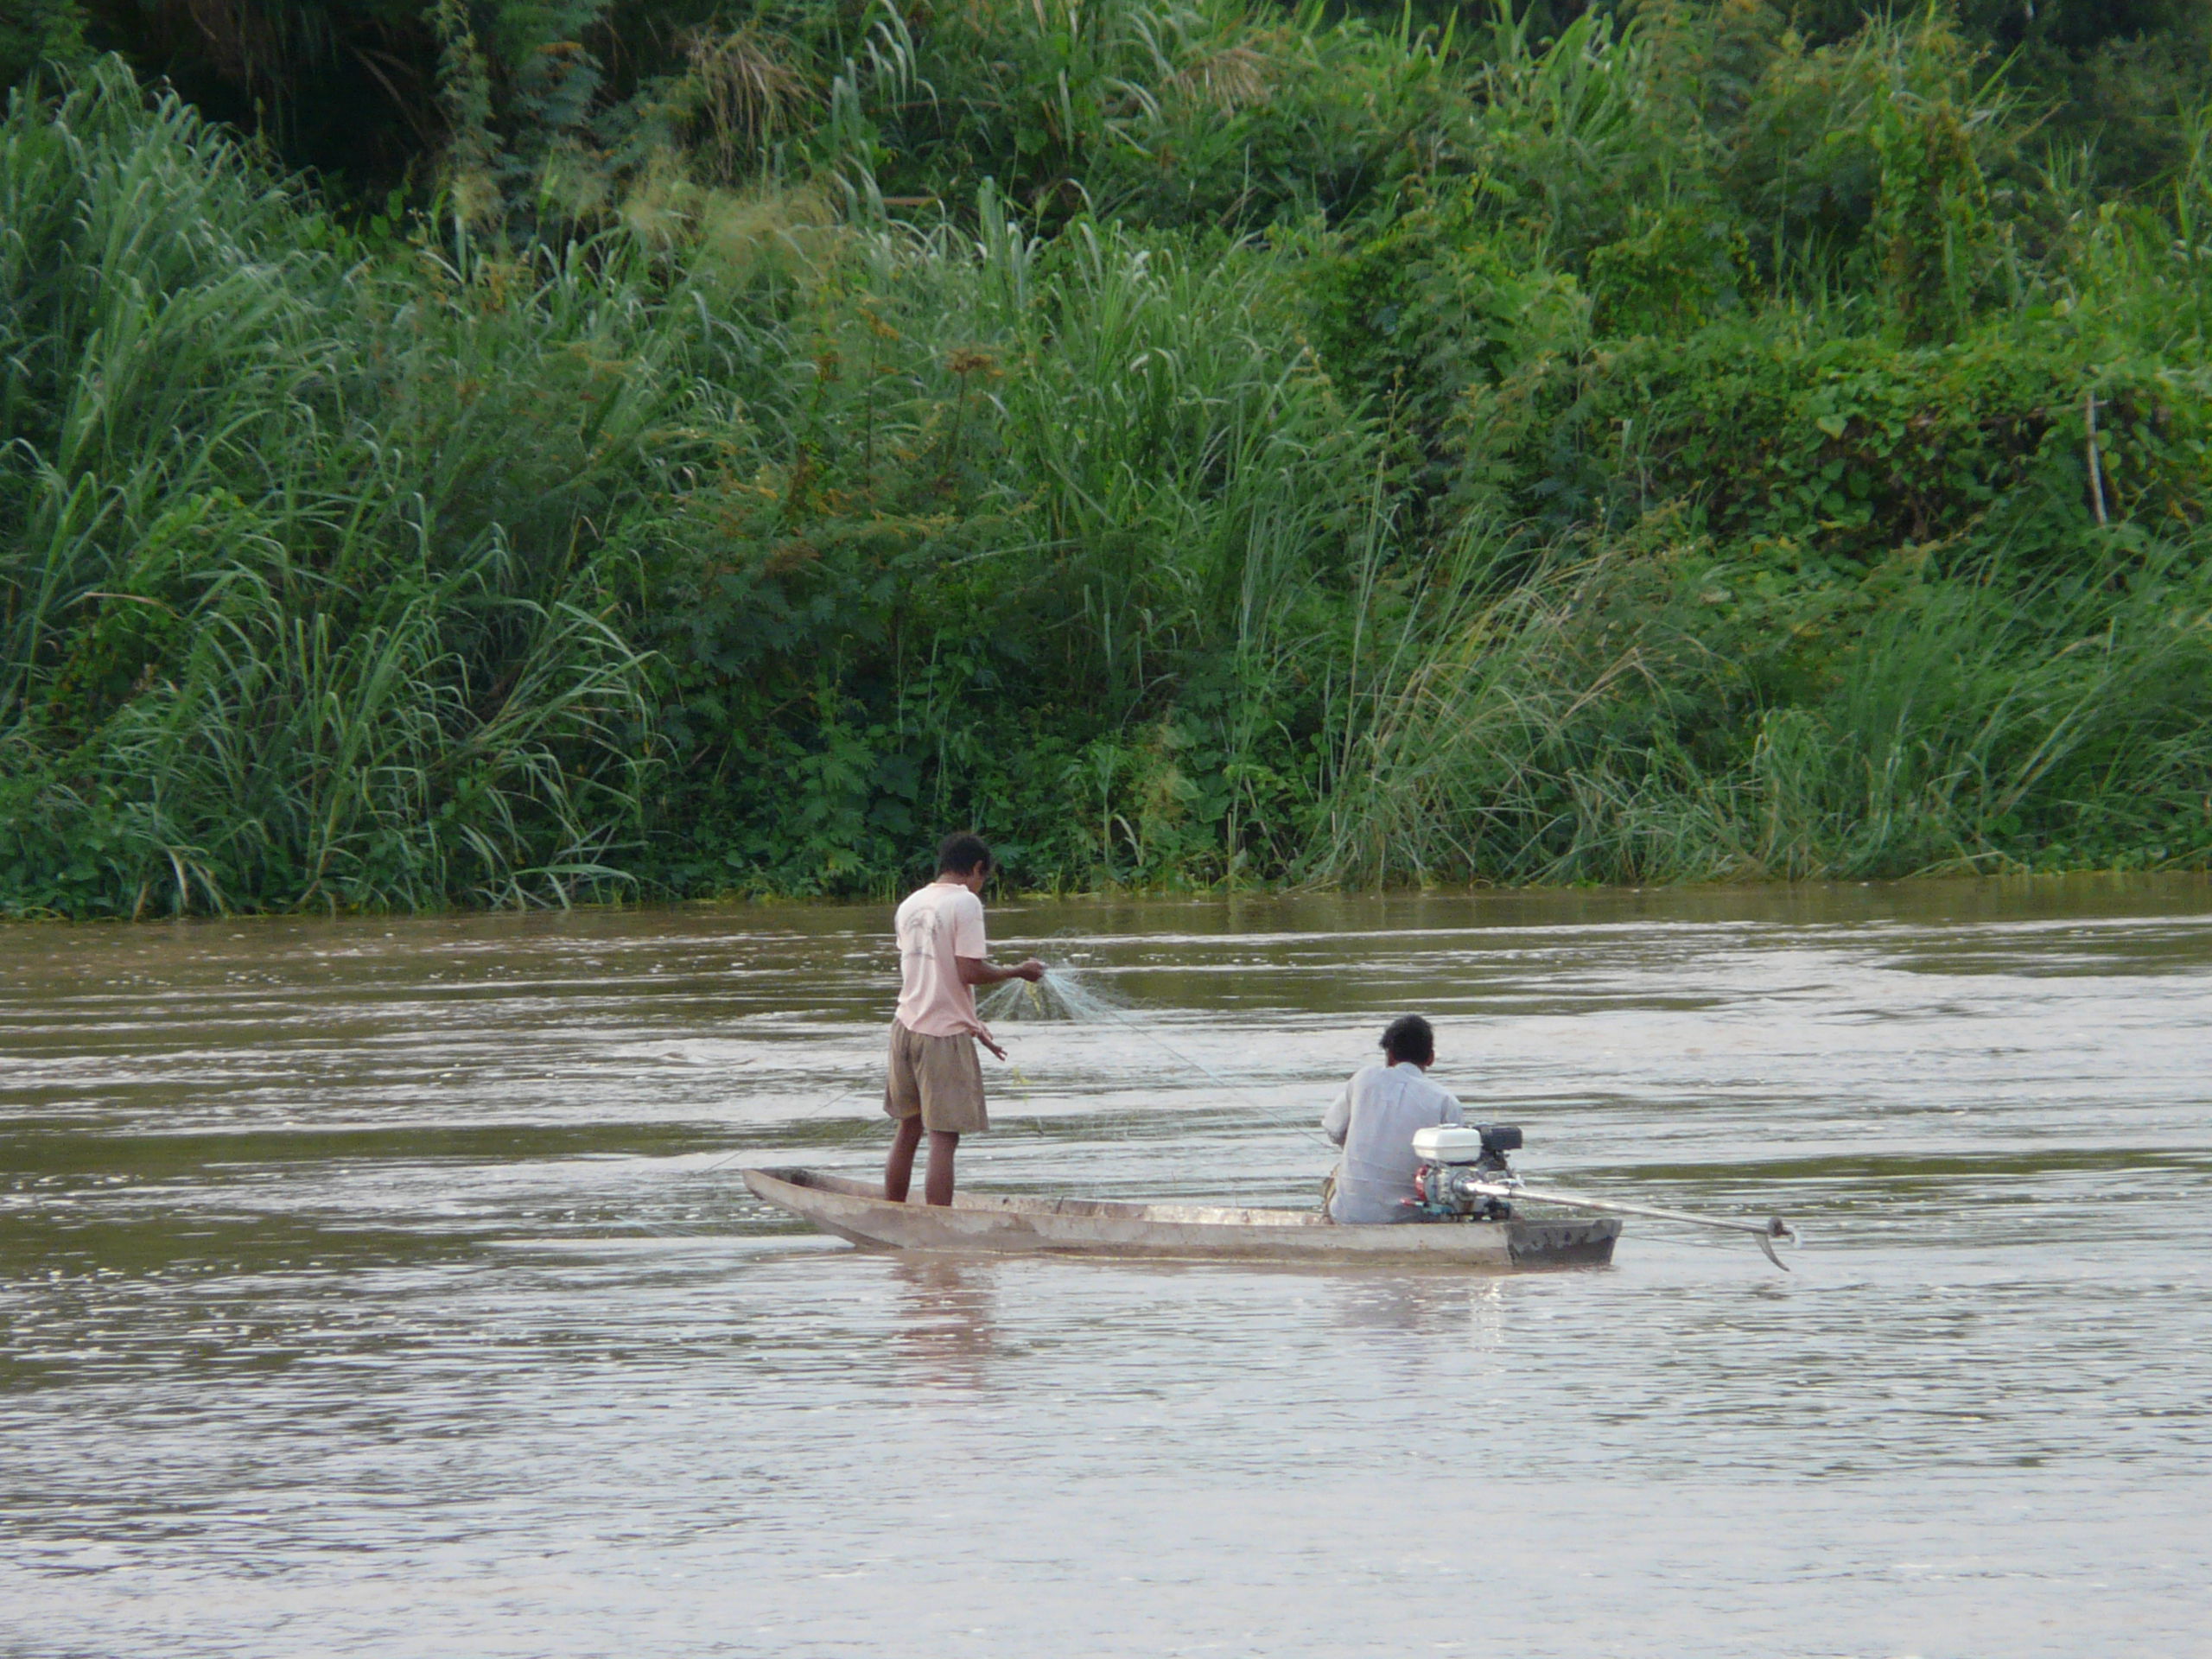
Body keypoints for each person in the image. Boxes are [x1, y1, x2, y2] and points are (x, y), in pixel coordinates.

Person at [882, 833, 1044, 1206]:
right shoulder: (965, 903)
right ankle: (939, 1227)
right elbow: (968, 971)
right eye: (982, 879)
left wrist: (974, 1024)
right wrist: (1018, 970)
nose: (980, 886)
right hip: (941, 1037)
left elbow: (932, 975)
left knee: (908, 1127)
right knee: (944, 1136)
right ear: (975, 870)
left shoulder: (910, 904)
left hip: (904, 1028)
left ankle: (893, 1214)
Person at [1320, 1014, 1465, 1224]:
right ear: (1430, 1058)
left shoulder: (1363, 1079)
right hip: (1414, 1218)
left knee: (1336, 1175)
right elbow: (1453, 1166)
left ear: (1389, 1056)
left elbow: (1333, 1130)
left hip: (1350, 1216)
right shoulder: (1445, 1100)